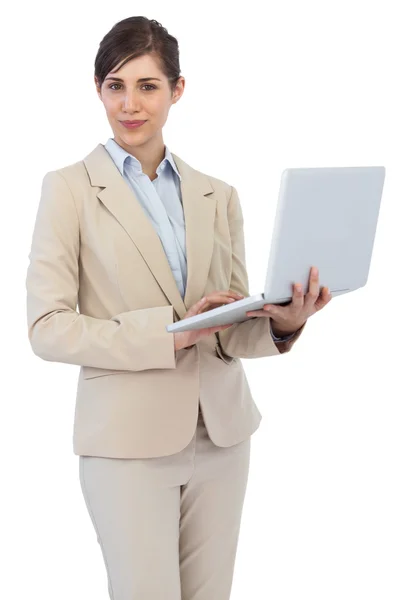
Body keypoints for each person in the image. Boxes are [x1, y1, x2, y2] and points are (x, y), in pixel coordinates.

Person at [25, 16, 332, 600]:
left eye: (148, 86)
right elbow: (47, 328)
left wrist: (284, 325)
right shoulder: (67, 189)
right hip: (128, 445)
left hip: (223, 435)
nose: (130, 104)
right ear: (97, 89)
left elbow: (230, 328)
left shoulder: (217, 194)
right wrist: (167, 332)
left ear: (177, 90)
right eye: (116, 85)